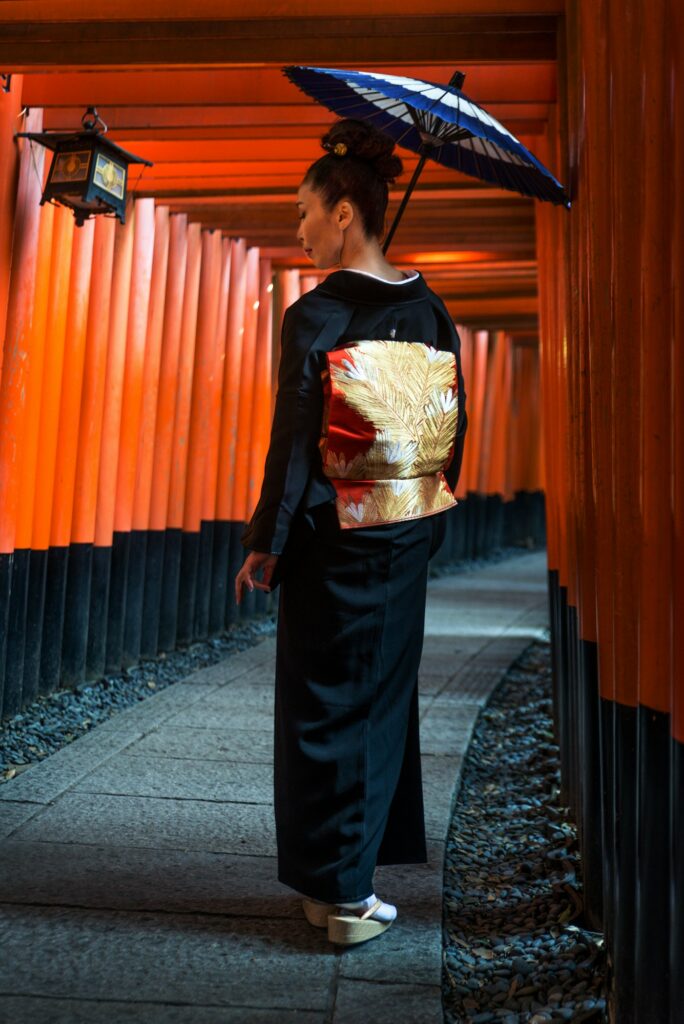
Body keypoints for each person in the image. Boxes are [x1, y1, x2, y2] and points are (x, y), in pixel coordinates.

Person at [235, 117, 468, 946]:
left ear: (344, 211)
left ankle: (332, 888)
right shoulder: (432, 309)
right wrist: (420, 518)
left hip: (330, 534)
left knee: (319, 702)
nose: (296, 227)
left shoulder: (320, 313)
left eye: (304, 209)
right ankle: (346, 885)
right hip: (401, 532)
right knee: (375, 704)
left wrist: (270, 540)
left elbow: (296, 437)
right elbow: (448, 433)